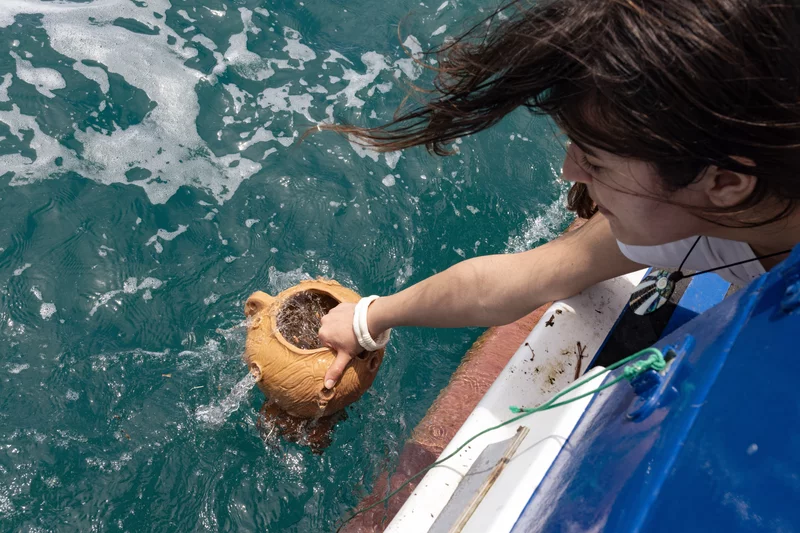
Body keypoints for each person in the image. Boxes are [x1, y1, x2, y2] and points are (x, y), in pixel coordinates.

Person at [318, 0, 800, 389]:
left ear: (725, 183)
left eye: (596, 160)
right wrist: (368, 318)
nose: (569, 169)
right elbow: (519, 278)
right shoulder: (705, 212)